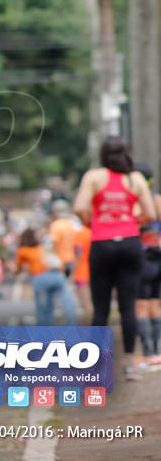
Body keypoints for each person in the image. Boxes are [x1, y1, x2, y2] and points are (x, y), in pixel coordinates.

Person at [73, 136, 157, 381]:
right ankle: (130, 365)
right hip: (130, 242)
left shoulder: (93, 177)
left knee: (101, 307)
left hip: (102, 242)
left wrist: (91, 222)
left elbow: (79, 207)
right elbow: (150, 213)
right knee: (127, 305)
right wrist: (132, 223)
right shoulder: (136, 179)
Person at [14, 228, 75, 326]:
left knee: (42, 308)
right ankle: (71, 326)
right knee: (62, 303)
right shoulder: (41, 247)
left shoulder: (22, 250)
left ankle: (44, 333)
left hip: (40, 277)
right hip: (58, 275)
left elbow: (18, 270)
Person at [134, 164, 161, 366]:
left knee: (141, 306)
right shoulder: (158, 199)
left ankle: (149, 353)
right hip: (158, 255)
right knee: (156, 305)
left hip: (141, 257)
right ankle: (158, 353)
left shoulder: (135, 203)